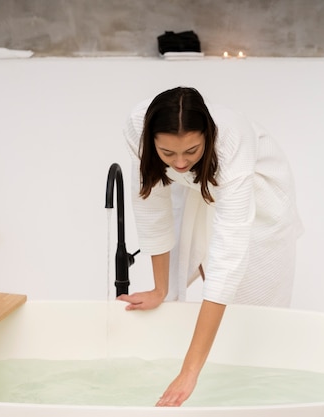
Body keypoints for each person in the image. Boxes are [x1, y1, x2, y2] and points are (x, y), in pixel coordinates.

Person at [118, 87, 302, 407]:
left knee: (250, 303)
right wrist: (160, 288)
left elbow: (227, 260)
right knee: (194, 264)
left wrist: (189, 373)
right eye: (167, 153)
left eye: (191, 150)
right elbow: (151, 201)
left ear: (208, 135)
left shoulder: (231, 141)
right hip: (197, 188)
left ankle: (249, 391)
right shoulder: (139, 126)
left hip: (257, 194)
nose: (178, 162)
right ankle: (210, 359)